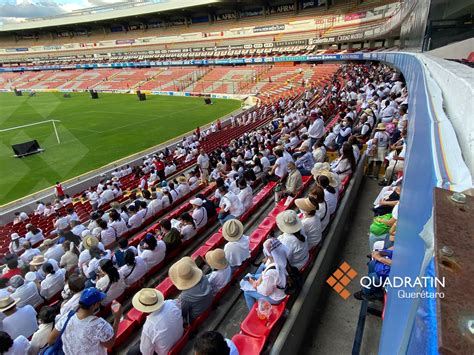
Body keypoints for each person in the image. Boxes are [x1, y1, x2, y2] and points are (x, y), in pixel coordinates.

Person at [48, 287, 123, 354]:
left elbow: (51, 340)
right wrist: (117, 318)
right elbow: (109, 344)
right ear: (96, 304)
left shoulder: (67, 316)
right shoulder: (100, 325)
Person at [129, 289, 184, 355]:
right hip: (180, 340)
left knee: (132, 352)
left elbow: (146, 353)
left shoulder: (148, 327)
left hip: (166, 351)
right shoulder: (171, 303)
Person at [241, 238, 287, 310]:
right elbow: (265, 273)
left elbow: (265, 292)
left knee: (246, 292)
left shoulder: (271, 272)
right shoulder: (281, 257)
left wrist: (254, 285)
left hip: (276, 297)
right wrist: (259, 280)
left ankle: (253, 312)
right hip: (279, 284)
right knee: (255, 276)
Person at [169, 257, 213, 324]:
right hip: (208, 303)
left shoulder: (185, 296)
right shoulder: (203, 277)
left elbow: (183, 312)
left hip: (195, 315)